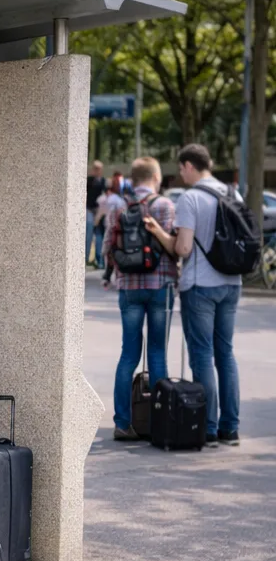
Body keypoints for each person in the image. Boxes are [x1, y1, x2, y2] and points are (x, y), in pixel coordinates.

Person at [144, 144, 242, 447]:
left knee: (202, 354)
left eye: (181, 168)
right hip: (232, 282)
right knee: (225, 353)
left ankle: (208, 428)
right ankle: (231, 428)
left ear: (188, 166)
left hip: (200, 285)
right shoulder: (232, 193)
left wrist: (159, 233)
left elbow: (183, 248)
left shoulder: (191, 198)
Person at [102, 157, 177, 440]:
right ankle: (160, 424)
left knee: (128, 355)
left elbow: (107, 248)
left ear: (132, 180)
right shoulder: (165, 206)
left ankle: (123, 423)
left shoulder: (119, 207)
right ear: (156, 177)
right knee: (157, 352)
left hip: (130, 288)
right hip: (160, 286)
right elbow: (174, 247)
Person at [86, 161, 107, 267]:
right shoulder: (89, 180)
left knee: (99, 235)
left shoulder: (103, 181)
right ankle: (85, 258)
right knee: (88, 234)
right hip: (89, 209)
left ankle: (99, 260)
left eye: (99, 169)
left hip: (98, 210)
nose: (98, 171)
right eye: (96, 169)